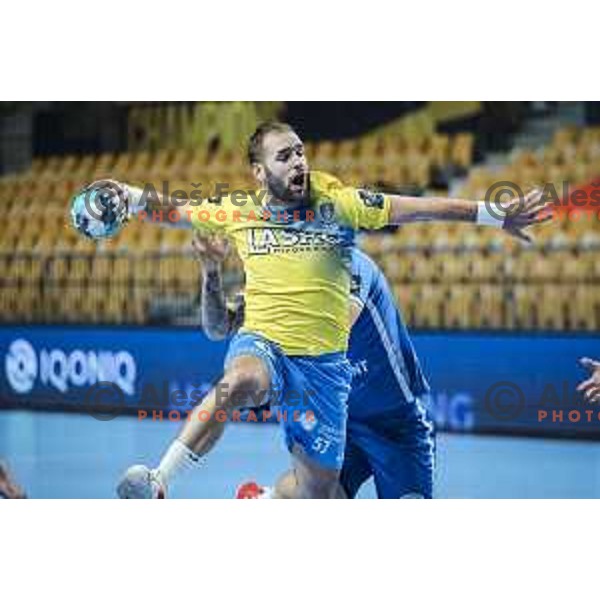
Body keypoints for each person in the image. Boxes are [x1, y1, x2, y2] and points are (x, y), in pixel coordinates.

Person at [104, 121, 549, 499]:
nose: (299, 161)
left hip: (341, 386)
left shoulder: (339, 208)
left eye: (300, 152)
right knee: (240, 379)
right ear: (259, 172)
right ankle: (159, 480)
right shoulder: (237, 213)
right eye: (285, 156)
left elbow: (419, 208)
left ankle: (261, 501)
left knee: (318, 494)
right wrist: (131, 196)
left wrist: (493, 215)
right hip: (268, 347)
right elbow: (175, 210)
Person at [193, 232, 435, 499]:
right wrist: (211, 271)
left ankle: (267, 497)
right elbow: (218, 328)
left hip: (394, 423)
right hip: (336, 418)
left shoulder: (352, 266)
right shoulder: (276, 286)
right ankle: (268, 496)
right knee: (317, 497)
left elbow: (336, 328)